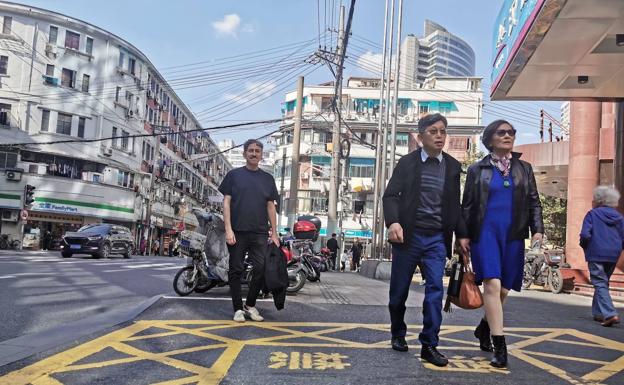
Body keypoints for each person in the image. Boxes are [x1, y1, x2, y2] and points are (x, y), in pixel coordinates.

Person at [383, 113, 469, 367]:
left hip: (436, 240)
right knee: (398, 294)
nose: (439, 136)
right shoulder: (407, 163)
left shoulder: (452, 167)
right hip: (408, 238)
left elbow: (455, 205)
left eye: (443, 131)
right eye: (433, 131)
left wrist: (461, 235)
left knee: (434, 291)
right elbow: (390, 196)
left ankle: (429, 344)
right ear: (421, 137)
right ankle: (398, 332)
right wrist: (393, 222)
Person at [462, 119, 544, 368]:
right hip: (485, 233)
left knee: (505, 288)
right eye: (502, 132)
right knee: (492, 284)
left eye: (511, 132)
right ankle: (500, 346)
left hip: (513, 234)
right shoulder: (478, 169)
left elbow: (534, 201)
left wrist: (537, 229)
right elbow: (467, 205)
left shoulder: (524, 168)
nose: (508, 136)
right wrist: (462, 236)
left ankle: (484, 327)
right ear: (490, 139)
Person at [219, 139, 280, 323]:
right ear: (245, 153)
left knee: (261, 268)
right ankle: (237, 308)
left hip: (260, 232)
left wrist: (274, 233)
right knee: (236, 269)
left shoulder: (267, 179)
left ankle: (250, 305)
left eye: (258, 151)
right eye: (251, 150)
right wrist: (228, 229)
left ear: (261, 155)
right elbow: (226, 202)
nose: (254, 153)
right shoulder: (233, 175)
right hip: (237, 230)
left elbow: (271, 206)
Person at [580, 186, 624, 327]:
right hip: (613, 255)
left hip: (596, 253)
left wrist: (585, 246)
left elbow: (585, 235)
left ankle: (610, 313)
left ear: (599, 200)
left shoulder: (592, 214)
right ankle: (598, 313)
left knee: (599, 283)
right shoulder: (619, 217)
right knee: (602, 283)